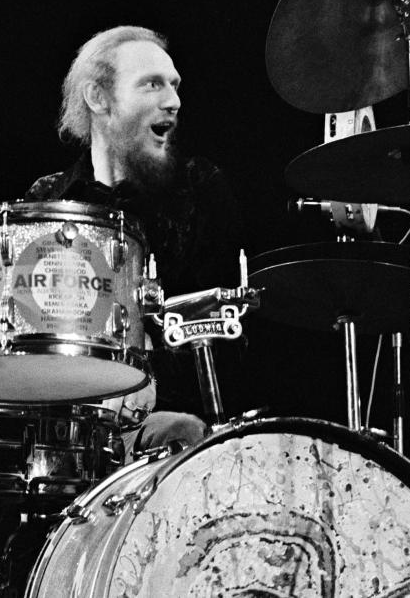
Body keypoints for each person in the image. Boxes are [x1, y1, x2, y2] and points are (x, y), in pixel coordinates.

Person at [25, 25, 245, 458]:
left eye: (175, 86)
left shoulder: (200, 191)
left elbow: (227, 341)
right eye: (152, 84)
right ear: (99, 98)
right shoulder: (47, 200)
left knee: (182, 431)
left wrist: (145, 373)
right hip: (54, 416)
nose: (174, 101)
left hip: (157, 424)